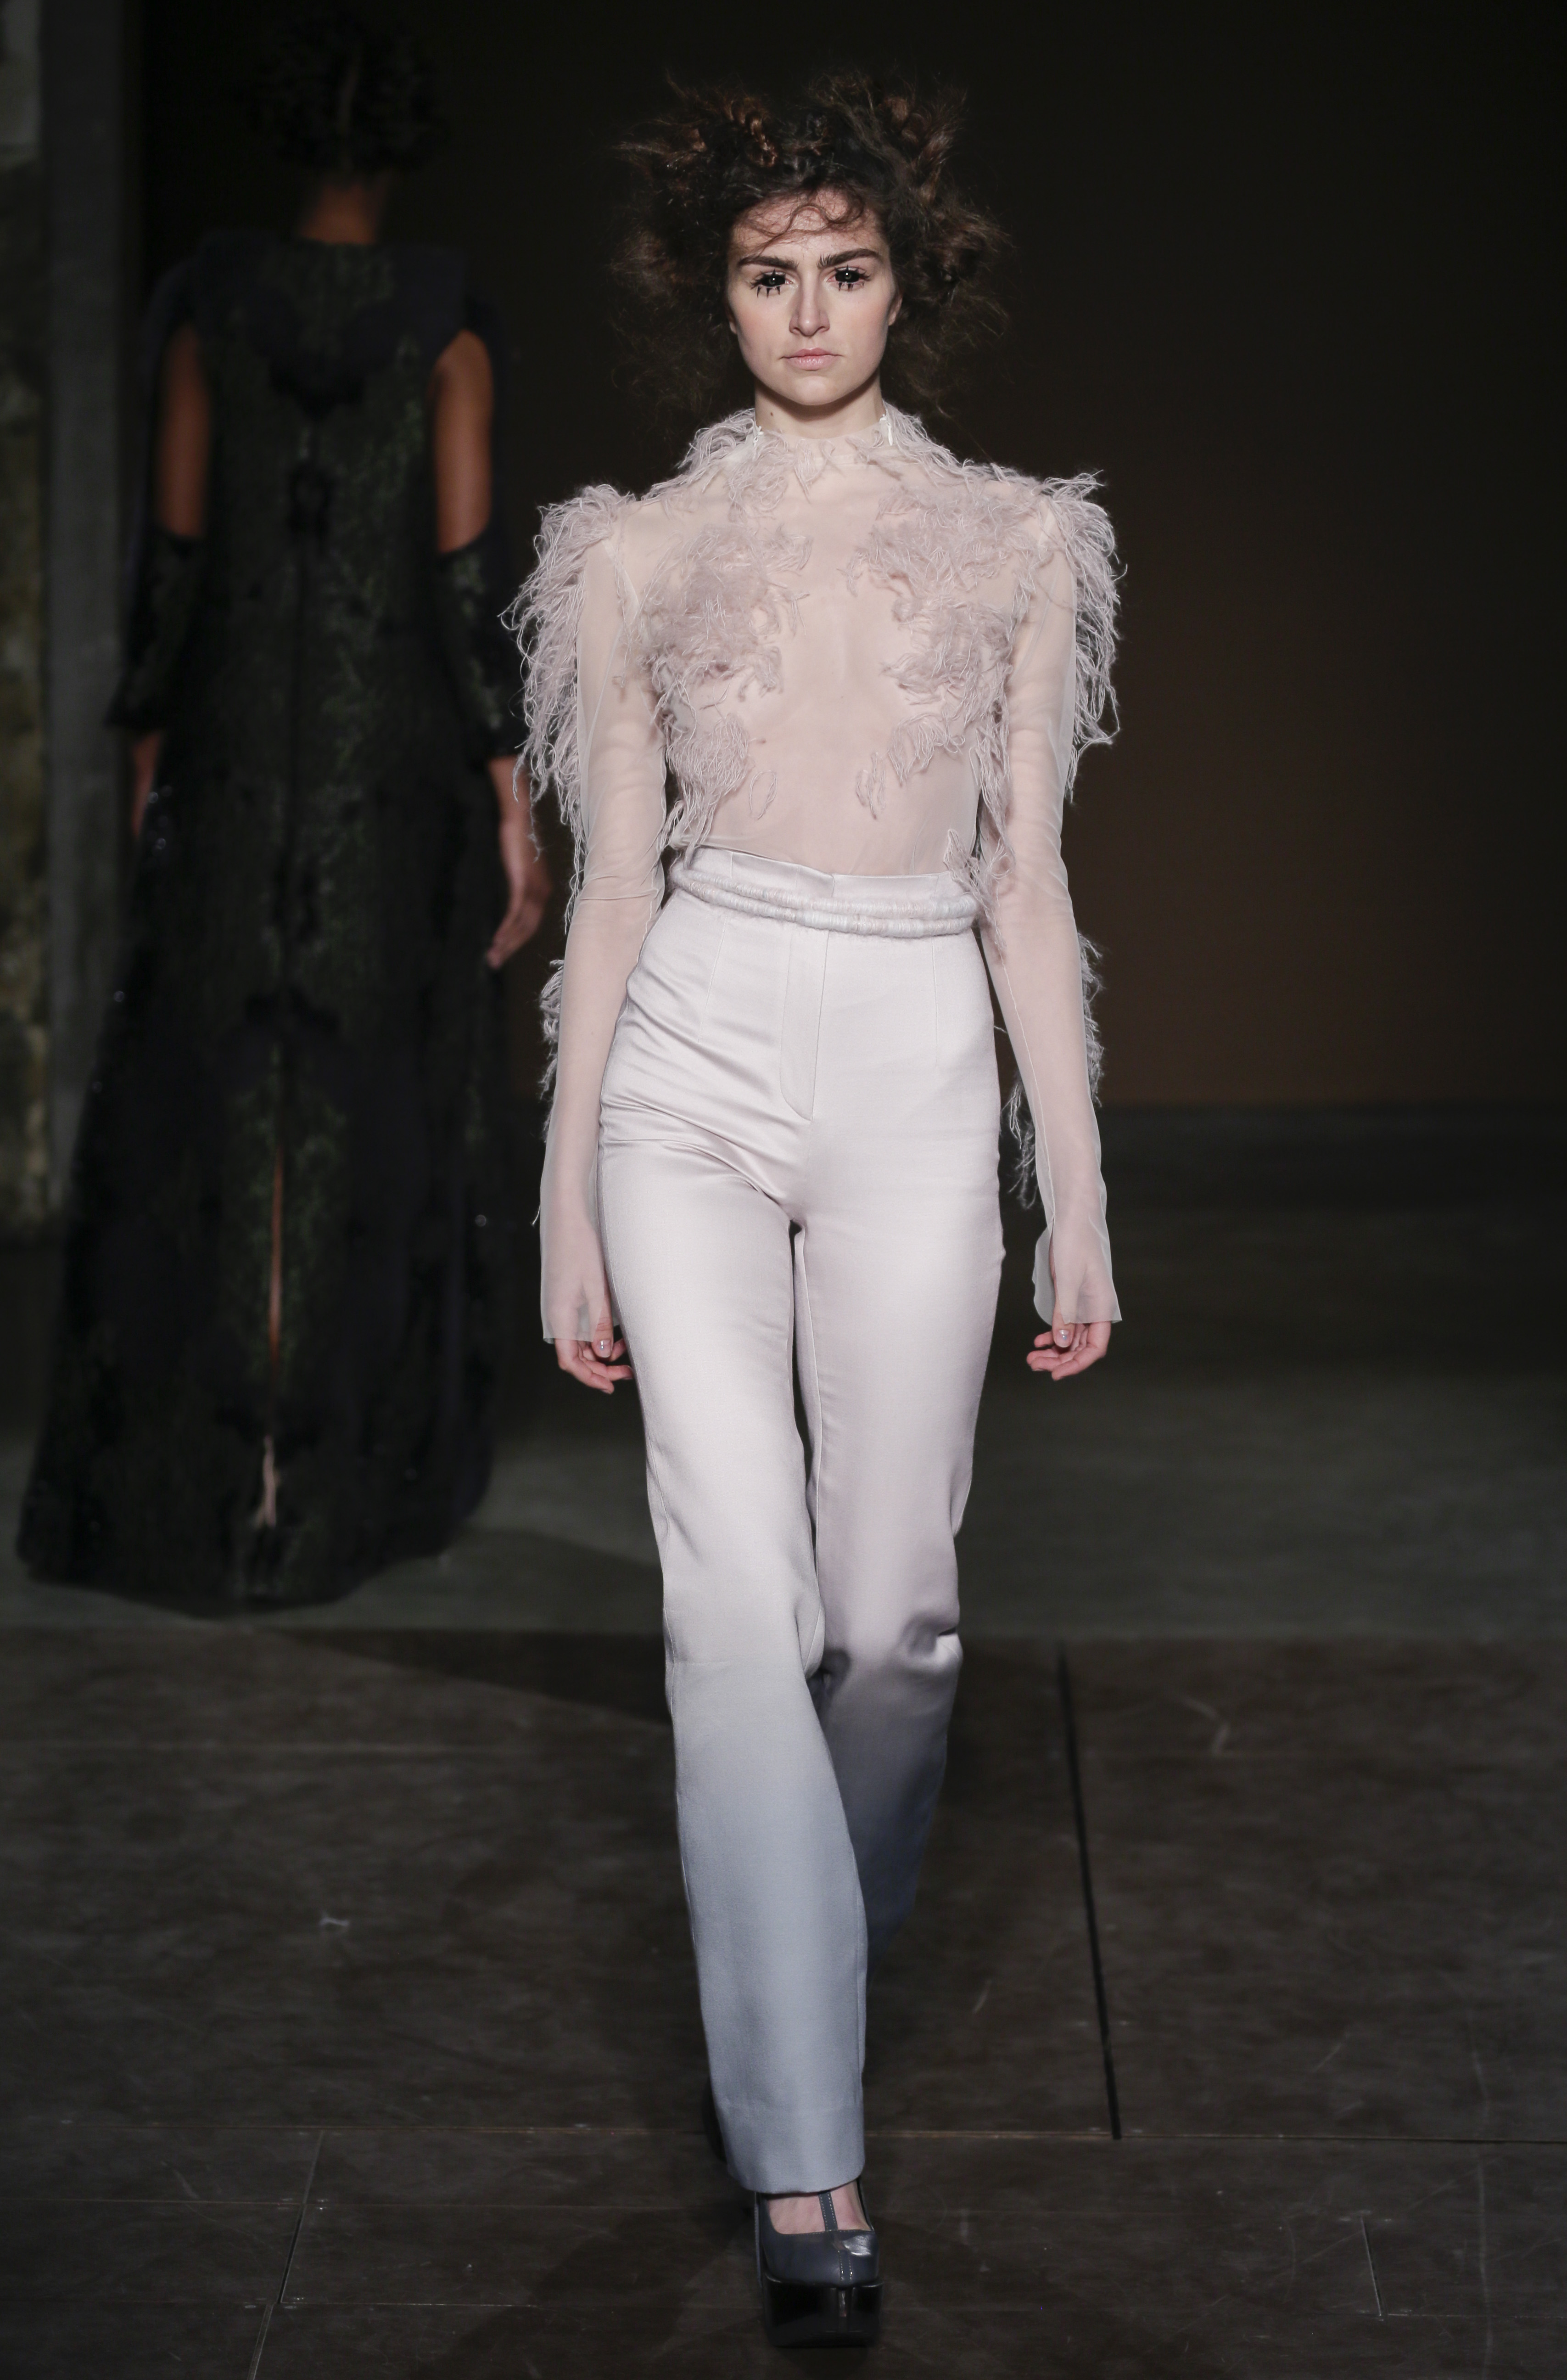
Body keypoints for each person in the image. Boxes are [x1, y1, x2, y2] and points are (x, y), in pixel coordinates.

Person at [517, 74, 1118, 2346]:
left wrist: (1077, 1190)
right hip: (691, 1053)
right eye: (767, 273)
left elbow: (1029, 881)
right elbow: (609, 895)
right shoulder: (631, 553)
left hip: (914, 1052)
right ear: (715, 292)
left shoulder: (1021, 543)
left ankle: (810, 1986)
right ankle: (807, 2154)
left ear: (907, 284)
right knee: (731, 1606)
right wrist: (564, 1199)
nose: (804, 310)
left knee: (898, 1620)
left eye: (845, 269)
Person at [18, 8, 548, 1607]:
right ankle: (318, 1483)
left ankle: (217, 1477)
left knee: (220, 1105)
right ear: (400, 148)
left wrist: (145, 768)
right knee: (361, 1112)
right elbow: (462, 587)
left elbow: (174, 570)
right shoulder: (445, 323)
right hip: (390, 773)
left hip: (234, 760)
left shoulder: (208, 307)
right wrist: (513, 795)